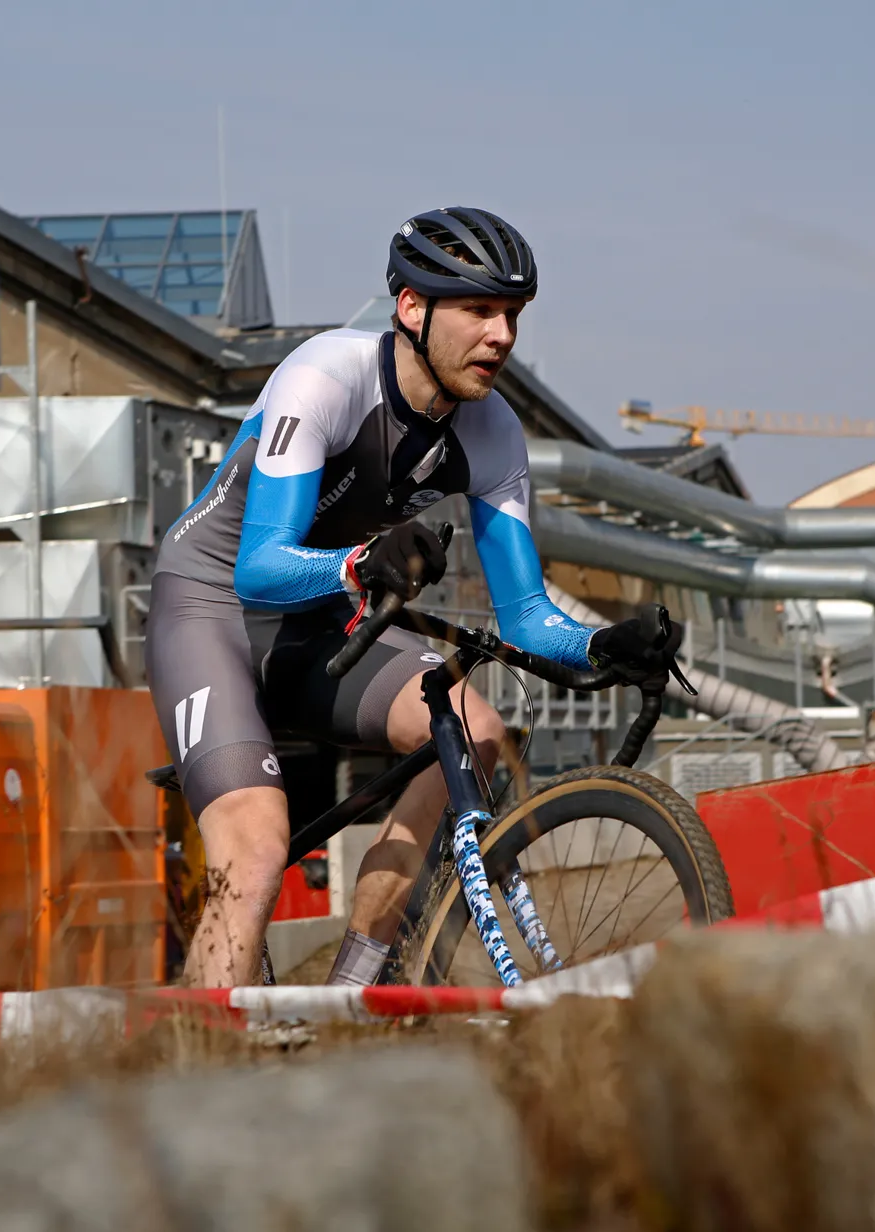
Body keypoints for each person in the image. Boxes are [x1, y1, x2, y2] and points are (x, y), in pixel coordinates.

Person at [145, 206, 683, 988]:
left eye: (513, 314)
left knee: (474, 727)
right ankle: (200, 1070)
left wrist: (602, 646)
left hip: (319, 616)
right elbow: (257, 569)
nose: (503, 335)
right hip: (210, 606)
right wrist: (368, 560)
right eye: (480, 310)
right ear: (410, 308)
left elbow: (526, 613)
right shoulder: (325, 377)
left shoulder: (493, 433)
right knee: (257, 844)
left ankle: (352, 991)